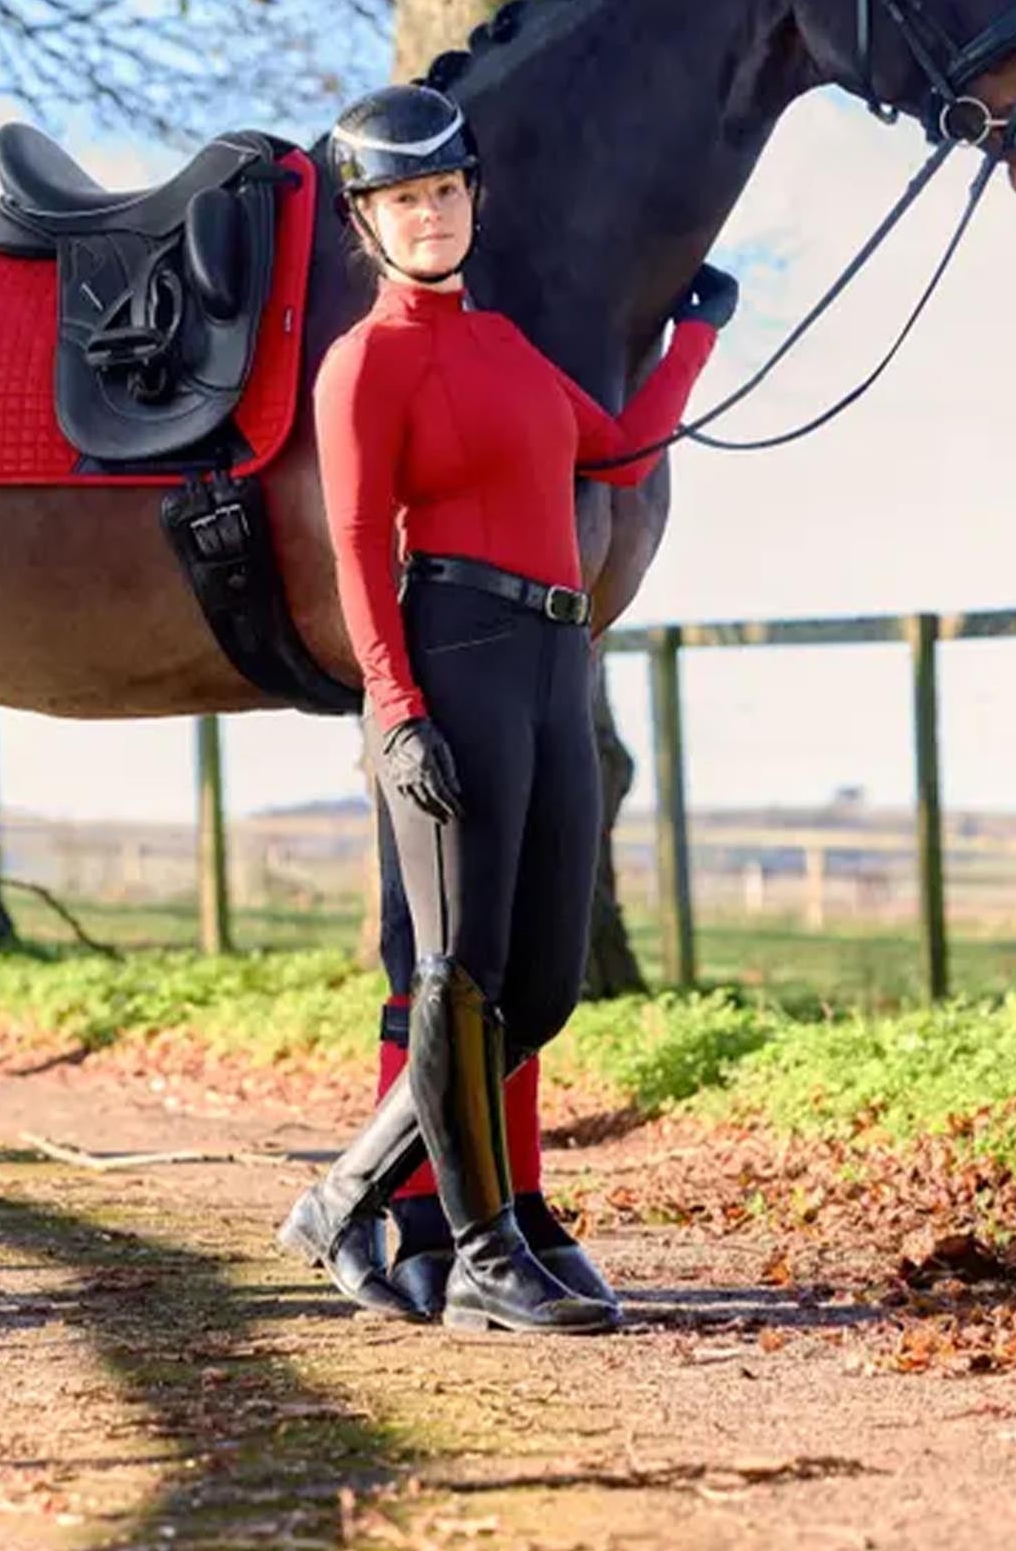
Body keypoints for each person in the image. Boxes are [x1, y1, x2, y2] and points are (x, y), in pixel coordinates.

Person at [279, 83, 736, 1333]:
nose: (427, 215)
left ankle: (337, 1201)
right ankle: (479, 1256)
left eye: (442, 190)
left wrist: (693, 339)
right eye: (399, 199)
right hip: (452, 658)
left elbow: (616, 448)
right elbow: (359, 542)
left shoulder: (507, 346)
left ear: (472, 196)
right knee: (458, 972)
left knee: (540, 987)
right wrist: (395, 708)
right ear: (366, 223)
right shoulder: (363, 361)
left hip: (553, 663)